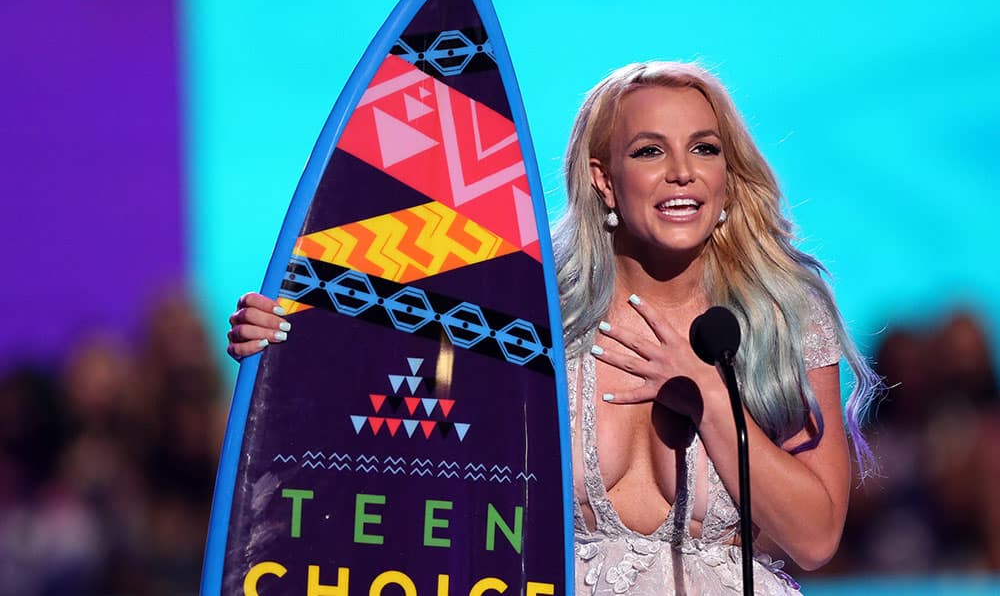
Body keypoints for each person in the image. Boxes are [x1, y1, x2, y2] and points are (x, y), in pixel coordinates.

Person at [227, 61, 881, 595]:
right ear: (604, 180)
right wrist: (286, 348)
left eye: (704, 149)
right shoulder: (529, 316)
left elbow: (816, 537)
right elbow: (388, 418)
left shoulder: (779, 316)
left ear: (726, 178)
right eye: (650, 150)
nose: (682, 170)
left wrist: (709, 397)